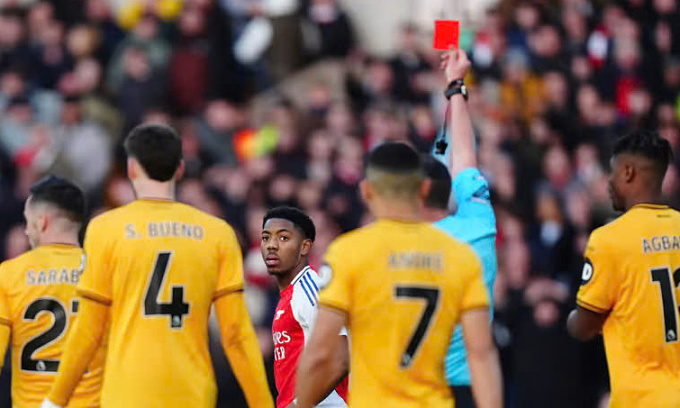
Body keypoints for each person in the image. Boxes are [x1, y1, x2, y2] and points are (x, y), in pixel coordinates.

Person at [41, 124, 273, 408]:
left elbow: (89, 329)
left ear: (131, 169)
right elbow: (236, 334)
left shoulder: (104, 229)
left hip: (127, 391)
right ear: (179, 169)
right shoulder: (218, 233)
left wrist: (55, 399)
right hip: (192, 391)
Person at [296, 142, 503, 408]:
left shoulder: (348, 252)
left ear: (366, 191)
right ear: (424, 190)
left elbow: (321, 353)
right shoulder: (460, 256)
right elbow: (481, 354)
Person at [567, 130, 680, 407]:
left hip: (642, 399)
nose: (608, 182)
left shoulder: (609, 239)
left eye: (612, 171)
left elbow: (584, 326)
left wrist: (571, 319)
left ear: (628, 172)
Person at [420, 49, 498, 408]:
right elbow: (465, 157)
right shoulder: (480, 226)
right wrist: (456, 86)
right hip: (474, 390)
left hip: (420, 391)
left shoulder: (396, 246)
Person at [0, 175, 104, 407]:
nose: (27, 231)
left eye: (27, 221)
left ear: (42, 222)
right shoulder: (103, 272)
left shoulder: (8, 274)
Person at [262, 206, 348, 408]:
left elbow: (341, 358)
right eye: (266, 238)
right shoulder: (289, 295)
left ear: (305, 247)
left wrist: (299, 404)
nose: (271, 245)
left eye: (283, 238)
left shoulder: (309, 289)